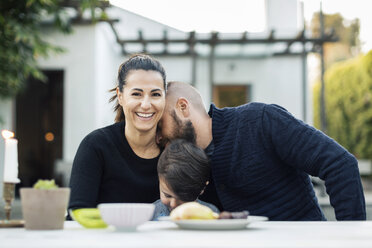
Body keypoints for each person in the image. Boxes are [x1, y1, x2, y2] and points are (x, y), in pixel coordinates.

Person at [158, 81, 366, 221]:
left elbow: (340, 164)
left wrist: (350, 239)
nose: (157, 136)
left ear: (183, 107)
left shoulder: (260, 120)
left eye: (160, 124)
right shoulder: (185, 164)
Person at [68, 54, 166, 212]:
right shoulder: (96, 146)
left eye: (155, 94)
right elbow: (77, 213)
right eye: (136, 94)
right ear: (120, 96)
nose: (146, 104)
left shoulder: (175, 149)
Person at [152, 139, 219, 220]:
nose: (173, 204)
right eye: (167, 195)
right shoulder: (151, 213)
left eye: (183, 198)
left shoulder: (211, 214)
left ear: (203, 188)